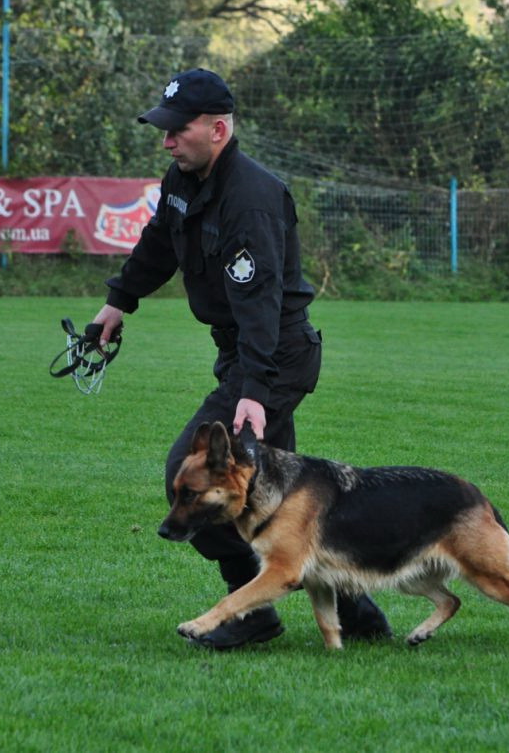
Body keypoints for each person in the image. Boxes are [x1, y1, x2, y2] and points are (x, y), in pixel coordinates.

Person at [91, 68, 391, 650]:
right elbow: (158, 244)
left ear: (218, 129)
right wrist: (117, 302)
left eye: (177, 129)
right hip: (247, 358)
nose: (167, 139)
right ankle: (360, 617)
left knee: (193, 475)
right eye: (164, 128)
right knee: (294, 502)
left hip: (273, 357)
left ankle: (251, 612)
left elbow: (260, 305)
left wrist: (254, 389)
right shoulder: (183, 178)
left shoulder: (251, 199)